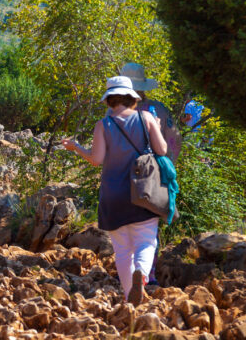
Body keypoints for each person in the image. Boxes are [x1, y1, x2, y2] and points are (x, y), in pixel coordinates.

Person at [61, 76, 167, 305]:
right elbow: (162, 149)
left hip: (113, 195)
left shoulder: (103, 125)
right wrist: (156, 128)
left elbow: (96, 159)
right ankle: (143, 274)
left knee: (122, 251)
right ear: (131, 97)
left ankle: (130, 299)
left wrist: (75, 147)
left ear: (109, 99)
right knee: (146, 241)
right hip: (143, 192)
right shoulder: (146, 117)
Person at [121, 62, 182, 163]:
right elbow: (175, 140)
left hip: (121, 172)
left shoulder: (114, 111)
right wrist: (167, 166)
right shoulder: (160, 109)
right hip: (152, 172)